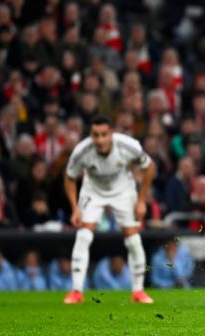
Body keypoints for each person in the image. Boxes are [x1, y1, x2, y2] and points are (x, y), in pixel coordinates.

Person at [63, 115, 156, 304]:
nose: (100, 140)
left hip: (123, 190)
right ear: (91, 135)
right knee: (83, 235)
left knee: (133, 238)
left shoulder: (129, 146)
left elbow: (149, 167)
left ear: (111, 134)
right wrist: (75, 208)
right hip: (93, 191)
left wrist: (141, 200)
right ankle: (76, 291)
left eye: (104, 135)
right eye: (95, 135)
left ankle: (138, 291)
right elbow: (69, 176)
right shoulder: (82, 151)